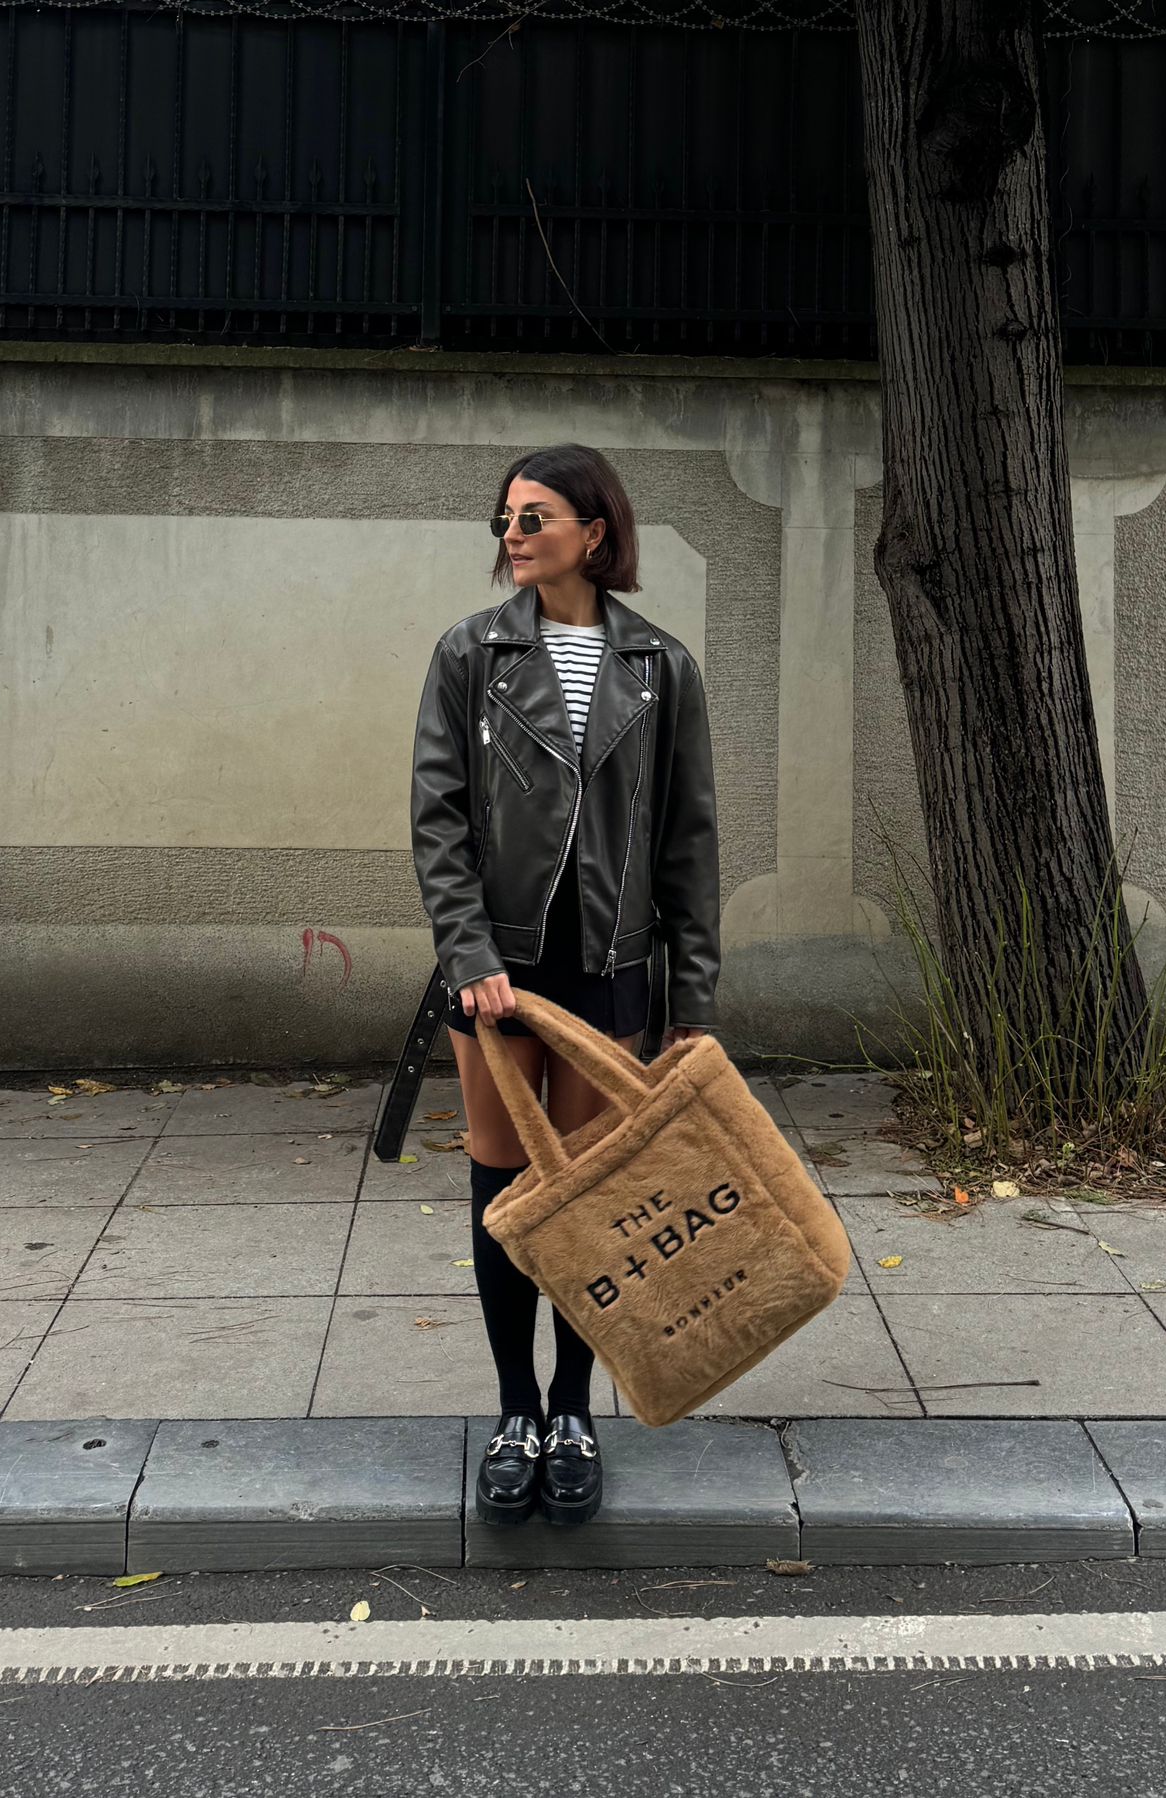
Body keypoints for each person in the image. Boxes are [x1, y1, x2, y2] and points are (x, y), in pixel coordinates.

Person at [405, 443, 721, 1527]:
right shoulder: (469, 654)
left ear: (594, 531)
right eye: (504, 518)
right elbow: (435, 819)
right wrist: (469, 957)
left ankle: (574, 1410)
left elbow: (688, 842)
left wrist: (691, 1010)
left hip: (612, 971)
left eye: (534, 517)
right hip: (498, 977)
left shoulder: (659, 667)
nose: (512, 534)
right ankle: (512, 1412)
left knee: (591, 1200)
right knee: (504, 1195)